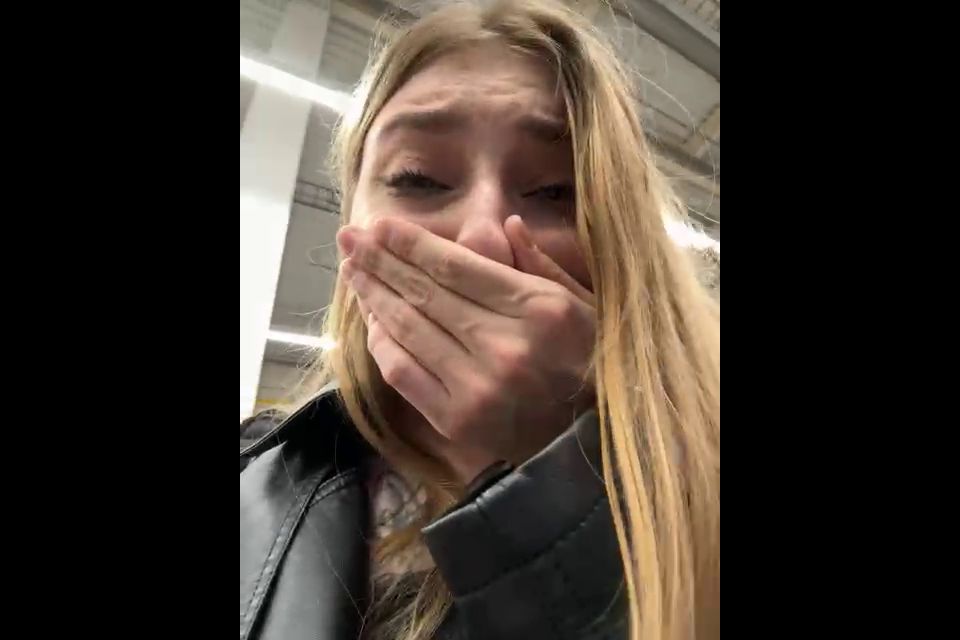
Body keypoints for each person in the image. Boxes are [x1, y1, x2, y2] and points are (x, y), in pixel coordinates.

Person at [239, 1, 720, 639]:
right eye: (417, 178)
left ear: (623, 239)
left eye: (554, 190)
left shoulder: (705, 491)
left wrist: (560, 485)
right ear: (350, 220)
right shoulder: (255, 477)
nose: (484, 237)